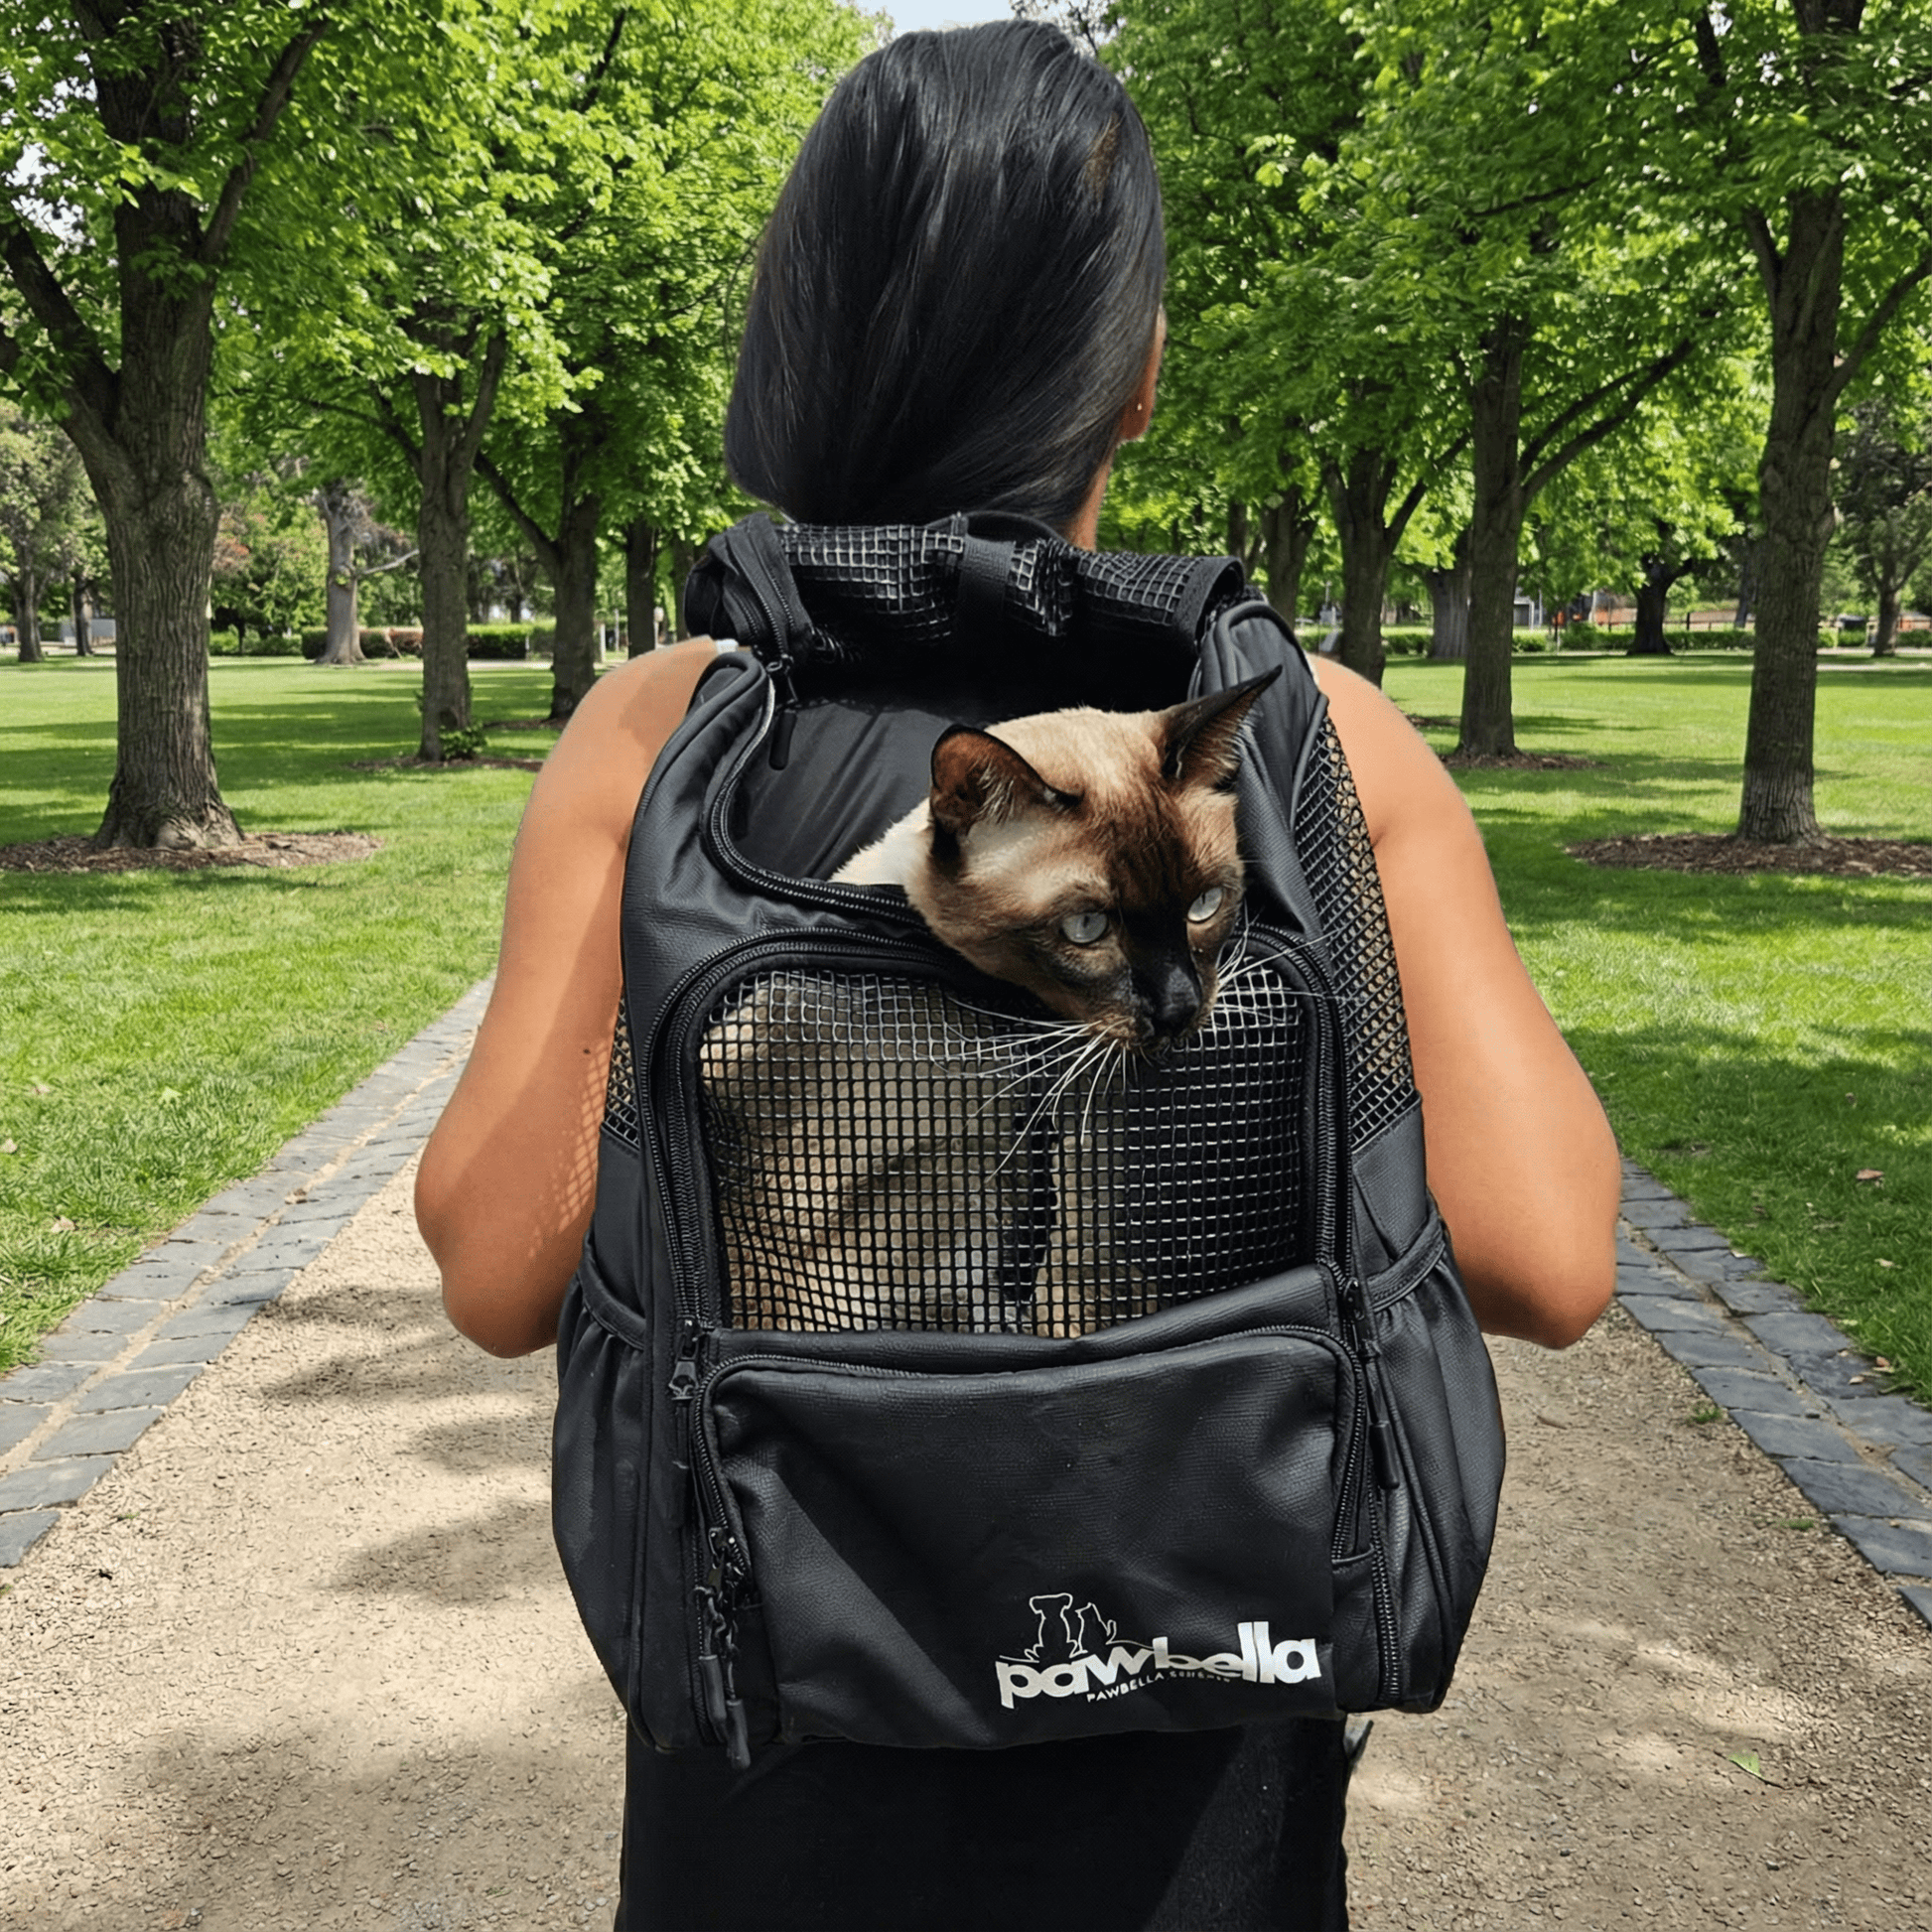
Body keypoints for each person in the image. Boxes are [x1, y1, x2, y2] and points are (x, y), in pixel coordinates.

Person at [416, 21, 1620, 1929]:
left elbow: (498, 1268)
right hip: (1193, 1742)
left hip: (785, 1736)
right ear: (1132, 376)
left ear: (797, 337)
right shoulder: (1308, 746)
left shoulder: (671, 732)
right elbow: (1548, 1261)